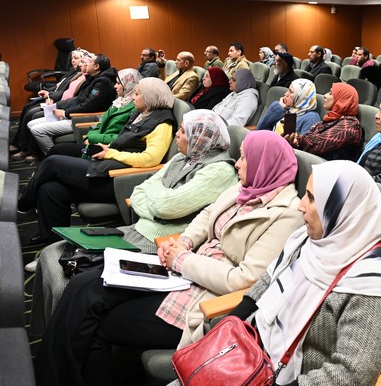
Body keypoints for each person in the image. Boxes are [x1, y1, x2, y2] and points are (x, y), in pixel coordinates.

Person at [33, 131, 305, 386]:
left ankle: (55, 377)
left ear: (264, 164)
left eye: (244, 158)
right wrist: (184, 241)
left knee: (98, 321)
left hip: (205, 296)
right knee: (84, 285)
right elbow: (207, 216)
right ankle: (51, 375)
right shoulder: (247, 187)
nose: (237, 163)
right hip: (183, 271)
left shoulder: (287, 213)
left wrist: (182, 260)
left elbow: (245, 279)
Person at [28, 110, 239, 332]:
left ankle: (60, 332)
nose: (177, 135)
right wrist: (155, 205)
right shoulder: (182, 158)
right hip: (137, 228)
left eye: (184, 132)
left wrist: (155, 201)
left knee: (72, 280)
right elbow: (139, 191)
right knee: (52, 252)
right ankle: (45, 330)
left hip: (158, 244)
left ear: (200, 139)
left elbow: (166, 207)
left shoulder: (220, 171)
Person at [224, 161, 381, 385]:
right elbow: (269, 279)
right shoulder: (311, 239)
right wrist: (227, 326)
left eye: (311, 198)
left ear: (341, 210)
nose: (301, 206)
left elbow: (353, 375)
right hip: (249, 347)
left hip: (286, 378)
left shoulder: (373, 285)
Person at [17, 77, 176, 246]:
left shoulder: (162, 124)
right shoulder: (142, 114)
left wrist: (111, 153)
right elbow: (126, 142)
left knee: (53, 163)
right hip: (108, 168)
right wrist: (107, 148)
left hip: (120, 179)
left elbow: (150, 159)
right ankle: (52, 242)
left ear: (150, 98)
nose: (132, 97)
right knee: (50, 189)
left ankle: (23, 205)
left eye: (136, 94)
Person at [26, 53, 117, 160]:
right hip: (74, 113)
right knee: (31, 124)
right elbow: (79, 100)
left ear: (96, 66)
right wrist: (62, 108)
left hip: (82, 118)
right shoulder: (93, 78)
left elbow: (89, 106)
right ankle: (52, 156)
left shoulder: (102, 82)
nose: (85, 64)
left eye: (89, 62)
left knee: (37, 130)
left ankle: (54, 157)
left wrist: (65, 113)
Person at [46, 68, 143, 159]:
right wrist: (89, 136)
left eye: (118, 83)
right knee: (56, 152)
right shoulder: (119, 102)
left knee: (57, 152)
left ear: (129, 85)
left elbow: (123, 137)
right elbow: (101, 124)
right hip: (95, 145)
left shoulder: (136, 107)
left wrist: (93, 138)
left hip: (107, 150)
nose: (115, 86)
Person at [11, 48, 89, 159]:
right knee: (27, 108)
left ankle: (32, 151)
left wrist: (53, 98)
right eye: (72, 58)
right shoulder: (74, 72)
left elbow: (74, 98)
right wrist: (48, 93)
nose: (73, 61)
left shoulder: (86, 79)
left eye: (77, 59)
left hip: (64, 106)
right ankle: (21, 145)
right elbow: (60, 86)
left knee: (33, 114)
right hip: (59, 101)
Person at [285, 82, 363, 161]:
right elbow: (307, 140)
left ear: (343, 100)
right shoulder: (330, 119)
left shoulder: (351, 125)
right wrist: (295, 142)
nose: (325, 95)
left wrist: (298, 140)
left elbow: (315, 145)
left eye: (330, 93)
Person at [257, 78, 321, 135]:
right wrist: (278, 107)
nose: (286, 94)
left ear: (302, 96)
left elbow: (303, 144)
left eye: (291, 91)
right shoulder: (288, 109)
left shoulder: (311, 118)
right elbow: (260, 129)